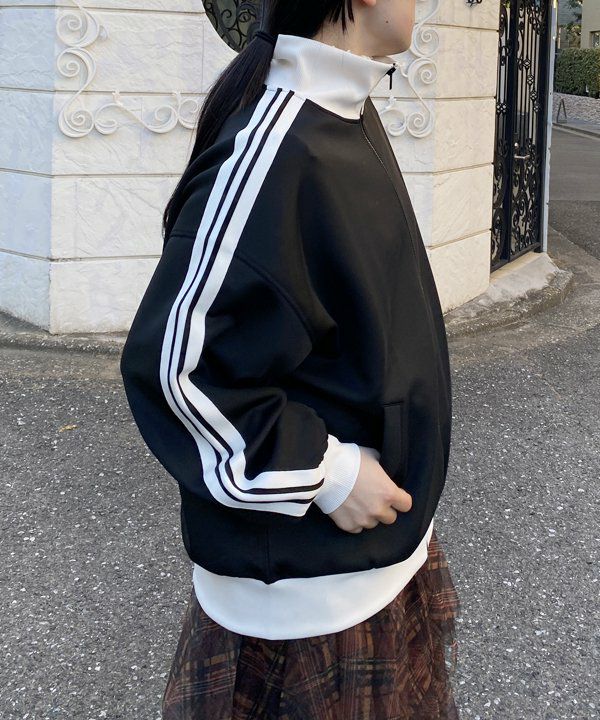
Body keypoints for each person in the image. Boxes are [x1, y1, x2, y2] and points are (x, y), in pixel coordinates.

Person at [119, 1, 461, 718]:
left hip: (373, 561)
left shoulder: (344, 107)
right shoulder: (277, 147)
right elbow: (174, 367)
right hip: (307, 600)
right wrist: (329, 473)